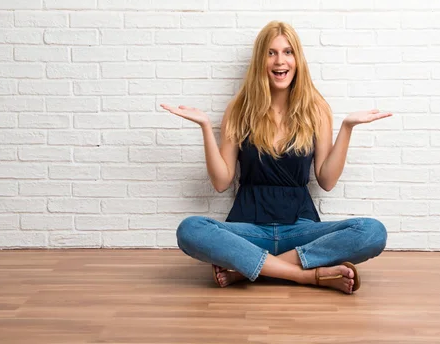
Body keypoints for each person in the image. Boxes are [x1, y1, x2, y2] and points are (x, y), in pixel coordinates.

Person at [161, 21, 391, 294]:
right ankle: (305, 275)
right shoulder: (240, 109)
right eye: (271, 53)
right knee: (190, 229)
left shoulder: (315, 110)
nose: (280, 61)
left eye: (287, 52)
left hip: (300, 231)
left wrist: (347, 128)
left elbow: (327, 180)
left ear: (297, 59)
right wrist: (205, 128)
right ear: (261, 60)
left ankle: (248, 272)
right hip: (248, 232)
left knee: (372, 231)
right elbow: (221, 182)